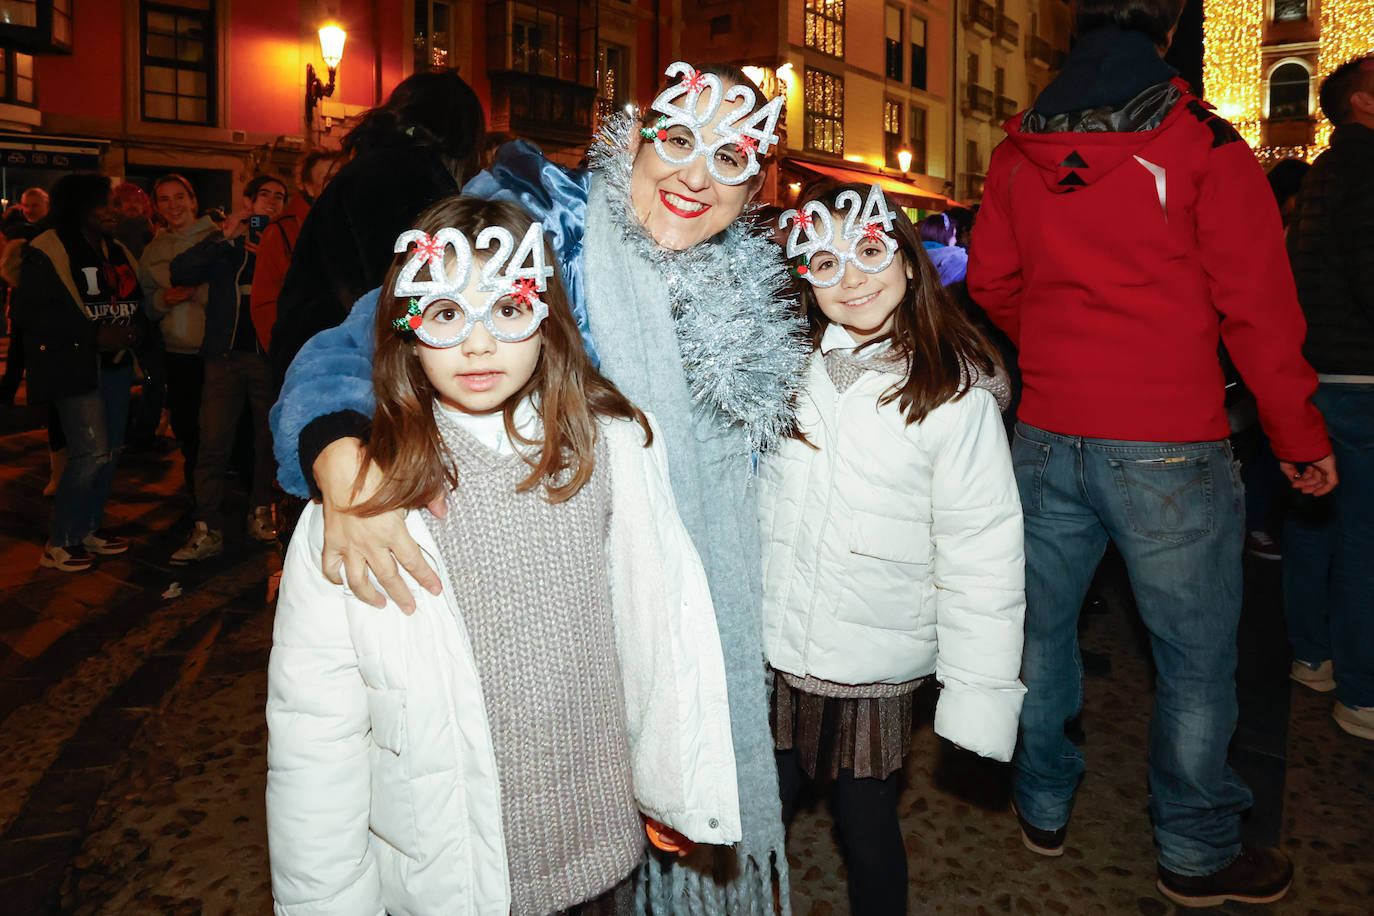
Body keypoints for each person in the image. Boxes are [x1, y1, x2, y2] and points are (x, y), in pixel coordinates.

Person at [271, 61, 803, 912]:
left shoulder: (743, 284)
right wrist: (339, 453)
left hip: (660, 631)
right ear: (632, 136)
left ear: (758, 177)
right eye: (676, 140)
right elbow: (359, 340)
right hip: (518, 644)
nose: (697, 177)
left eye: (732, 156)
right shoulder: (544, 225)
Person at [967, 0, 1336, 907]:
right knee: (1195, 657)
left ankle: (1043, 805)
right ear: (1169, 27)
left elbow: (991, 282)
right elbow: (1257, 306)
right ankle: (1198, 852)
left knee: (1039, 634)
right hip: (1172, 440)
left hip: (1048, 431)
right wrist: (1297, 437)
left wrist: (1058, 349)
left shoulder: (1019, 153)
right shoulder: (1206, 146)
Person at [762, 183, 1024, 915]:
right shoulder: (785, 372)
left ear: (911, 261)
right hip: (775, 650)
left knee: (866, 826)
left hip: (869, 666)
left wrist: (979, 690)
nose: (850, 279)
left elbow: (983, 550)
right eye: (823, 262)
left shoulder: (953, 395)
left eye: (870, 252)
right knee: (756, 817)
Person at [269, 70, 485, 373]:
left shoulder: (376, 168)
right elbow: (402, 292)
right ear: (463, 134)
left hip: (320, 357)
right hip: (348, 368)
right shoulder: (407, 179)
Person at [1281, 55, 1374, 740]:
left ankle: (1311, 654)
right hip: (1364, 378)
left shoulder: (1321, 175)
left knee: (1317, 528)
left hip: (1318, 374)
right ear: (1365, 103)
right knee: (1363, 542)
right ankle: (1362, 691)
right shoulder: (1368, 172)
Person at [14, 174, 148, 571]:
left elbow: (134, 297)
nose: (114, 210)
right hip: (74, 367)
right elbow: (31, 313)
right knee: (89, 453)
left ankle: (88, 528)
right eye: (104, 203)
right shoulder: (46, 249)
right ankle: (59, 542)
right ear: (78, 206)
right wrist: (94, 334)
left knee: (108, 452)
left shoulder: (117, 248)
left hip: (116, 365)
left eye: (114, 203)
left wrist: (135, 327)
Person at [169, 175, 287, 561]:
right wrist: (226, 235)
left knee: (266, 443)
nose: (270, 203)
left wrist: (271, 254)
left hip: (267, 358)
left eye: (278, 197)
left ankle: (260, 512)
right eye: (263, 196)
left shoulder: (287, 243)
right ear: (248, 202)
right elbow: (182, 270)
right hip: (223, 357)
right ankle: (207, 526)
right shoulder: (227, 244)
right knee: (212, 442)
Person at [138, 174, 218, 496]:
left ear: (193, 200)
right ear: (157, 207)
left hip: (215, 352)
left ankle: (222, 500)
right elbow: (145, 302)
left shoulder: (216, 239)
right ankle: (198, 501)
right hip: (176, 354)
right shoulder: (153, 249)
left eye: (179, 197)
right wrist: (162, 300)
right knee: (188, 431)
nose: (174, 205)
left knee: (218, 430)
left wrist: (199, 293)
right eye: (165, 200)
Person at [249, 149, 341, 351]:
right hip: (305, 351)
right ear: (307, 186)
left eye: (339, 175)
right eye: (326, 178)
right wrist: (287, 355)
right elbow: (265, 302)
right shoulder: (282, 230)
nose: (335, 183)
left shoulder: (354, 225)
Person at [0, 186, 50, 406]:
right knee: (18, 352)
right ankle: (8, 394)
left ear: (46, 206)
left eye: (35, 205)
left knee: (34, 352)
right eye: (26, 205)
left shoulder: (46, 232)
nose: (30, 210)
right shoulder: (23, 231)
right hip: (25, 302)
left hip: (44, 304)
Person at [917, 211, 969, 285]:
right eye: (953, 235)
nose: (955, 240)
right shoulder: (957, 258)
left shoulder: (914, 254)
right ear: (944, 236)